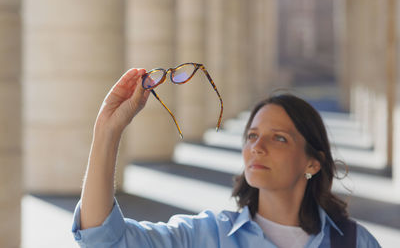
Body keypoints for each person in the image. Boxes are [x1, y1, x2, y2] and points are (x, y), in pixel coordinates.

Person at [71, 68, 381, 247]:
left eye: (280, 138)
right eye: (252, 136)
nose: (257, 147)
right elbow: (102, 239)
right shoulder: (207, 236)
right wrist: (107, 132)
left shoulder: (355, 243)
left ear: (312, 162)